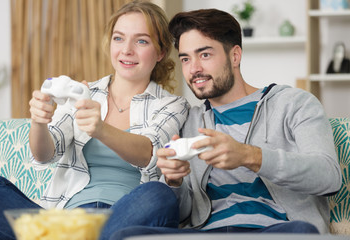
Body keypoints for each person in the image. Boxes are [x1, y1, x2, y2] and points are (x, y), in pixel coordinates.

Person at [104, 8, 342, 240]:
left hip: (277, 230)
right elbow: (186, 211)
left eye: (205, 55)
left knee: (301, 234)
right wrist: (174, 181)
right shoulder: (190, 120)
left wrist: (250, 156)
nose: (194, 68)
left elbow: (328, 176)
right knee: (129, 236)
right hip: (208, 233)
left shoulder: (293, 103)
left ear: (235, 55)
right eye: (186, 58)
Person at [0, 1, 189, 239]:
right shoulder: (83, 92)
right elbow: (45, 154)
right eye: (119, 38)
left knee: (158, 195)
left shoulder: (172, 105)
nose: (126, 50)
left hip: (125, 217)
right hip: (67, 219)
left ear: (160, 52)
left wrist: (101, 129)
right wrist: (39, 120)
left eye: (141, 41)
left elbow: (151, 152)